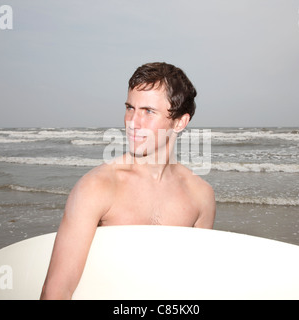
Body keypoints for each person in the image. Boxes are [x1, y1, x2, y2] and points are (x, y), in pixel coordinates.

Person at [40, 62, 216, 299]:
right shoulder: (97, 186)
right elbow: (57, 290)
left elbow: (194, 284)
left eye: (148, 111)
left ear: (180, 122)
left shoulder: (201, 196)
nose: (133, 122)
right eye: (130, 108)